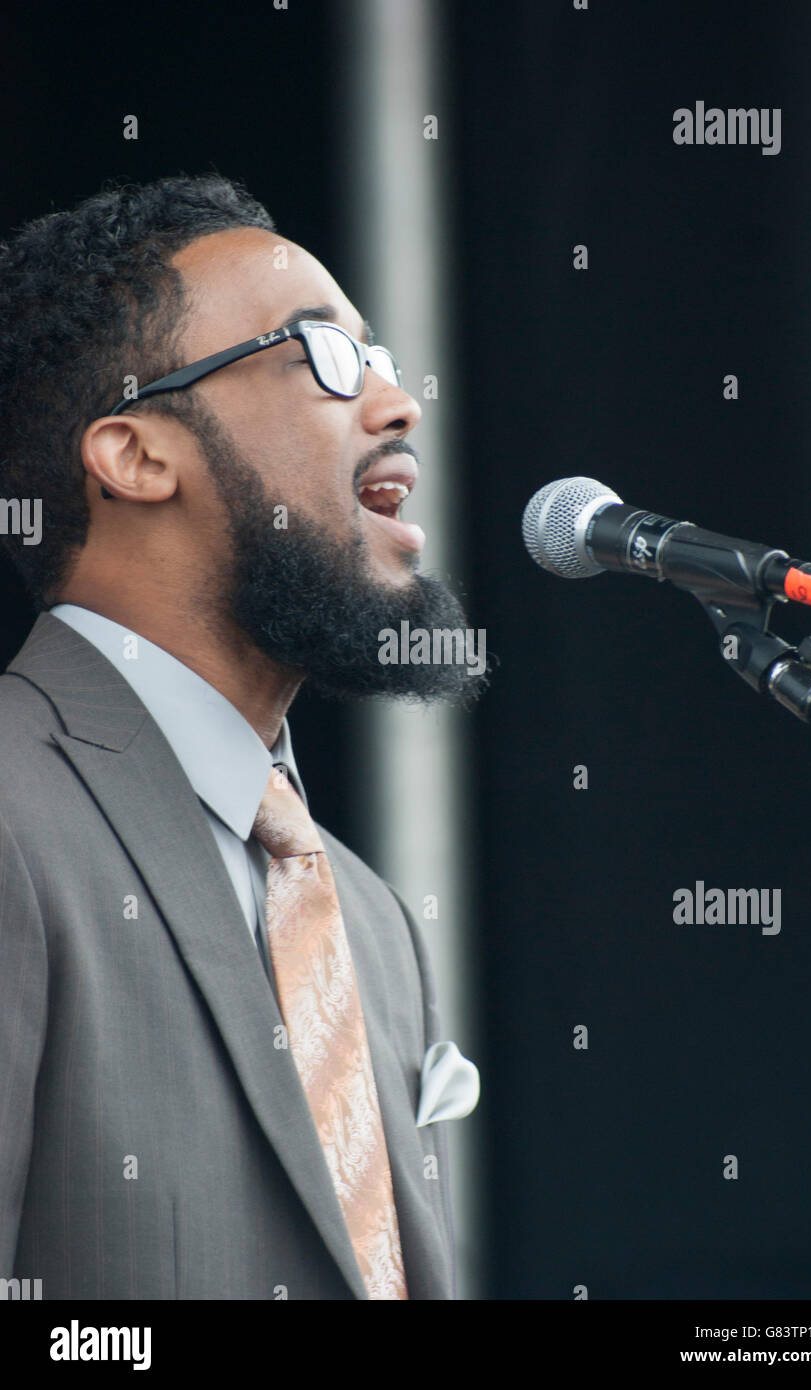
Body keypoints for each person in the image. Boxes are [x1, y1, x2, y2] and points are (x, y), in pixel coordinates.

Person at [0, 174, 483, 1300]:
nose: (397, 401)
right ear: (135, 455)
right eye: (321, 355)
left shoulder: (361, 911)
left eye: (380, 356)